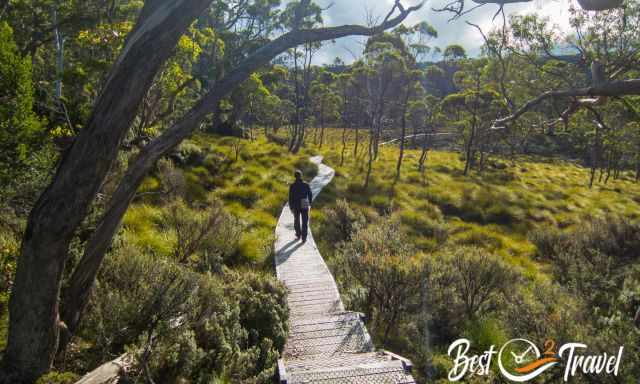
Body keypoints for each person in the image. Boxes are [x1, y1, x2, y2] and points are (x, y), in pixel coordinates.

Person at [288, 170, 313, 242]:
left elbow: (290, 197)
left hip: (296, 203)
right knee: (305, 221)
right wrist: (310, 203)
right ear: (301, 176)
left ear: (294, 176)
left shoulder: (292, 186)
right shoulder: (306, 184)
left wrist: (291, 206)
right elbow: (310, 194)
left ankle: (298, 234)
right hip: (304, 202)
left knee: (296, 220)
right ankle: (304, 238)